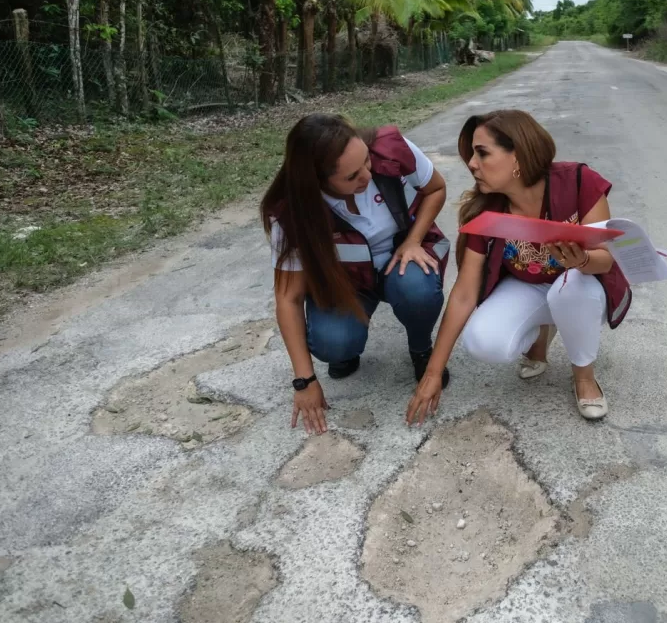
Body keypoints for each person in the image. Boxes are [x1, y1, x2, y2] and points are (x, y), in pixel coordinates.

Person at [406, 109, 631, 426]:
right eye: (471, 154)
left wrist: (581, 260)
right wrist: (432, 372)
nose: (471, 164)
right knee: (484, 342)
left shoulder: (579, 182)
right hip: (527, 285)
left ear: (518, 158)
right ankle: (541, 336)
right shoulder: (483, 213)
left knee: (571, 291)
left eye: (482, 153)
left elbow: (606, 258)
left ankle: (584, 376)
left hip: (578, 282)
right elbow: (464, 294)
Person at [262, 113, 451, 435]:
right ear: (317, 181)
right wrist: (304, 380)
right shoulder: (291, 212)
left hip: (400, 259)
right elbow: (288, 298)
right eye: (352, 176)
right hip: (347, 282)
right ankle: (347, 349)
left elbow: (436, 189)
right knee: (333, 342)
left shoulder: (391, 149)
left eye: (366, 161)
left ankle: (420, 347)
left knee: (417, 289)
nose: (368, 174)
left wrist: (413, 240)